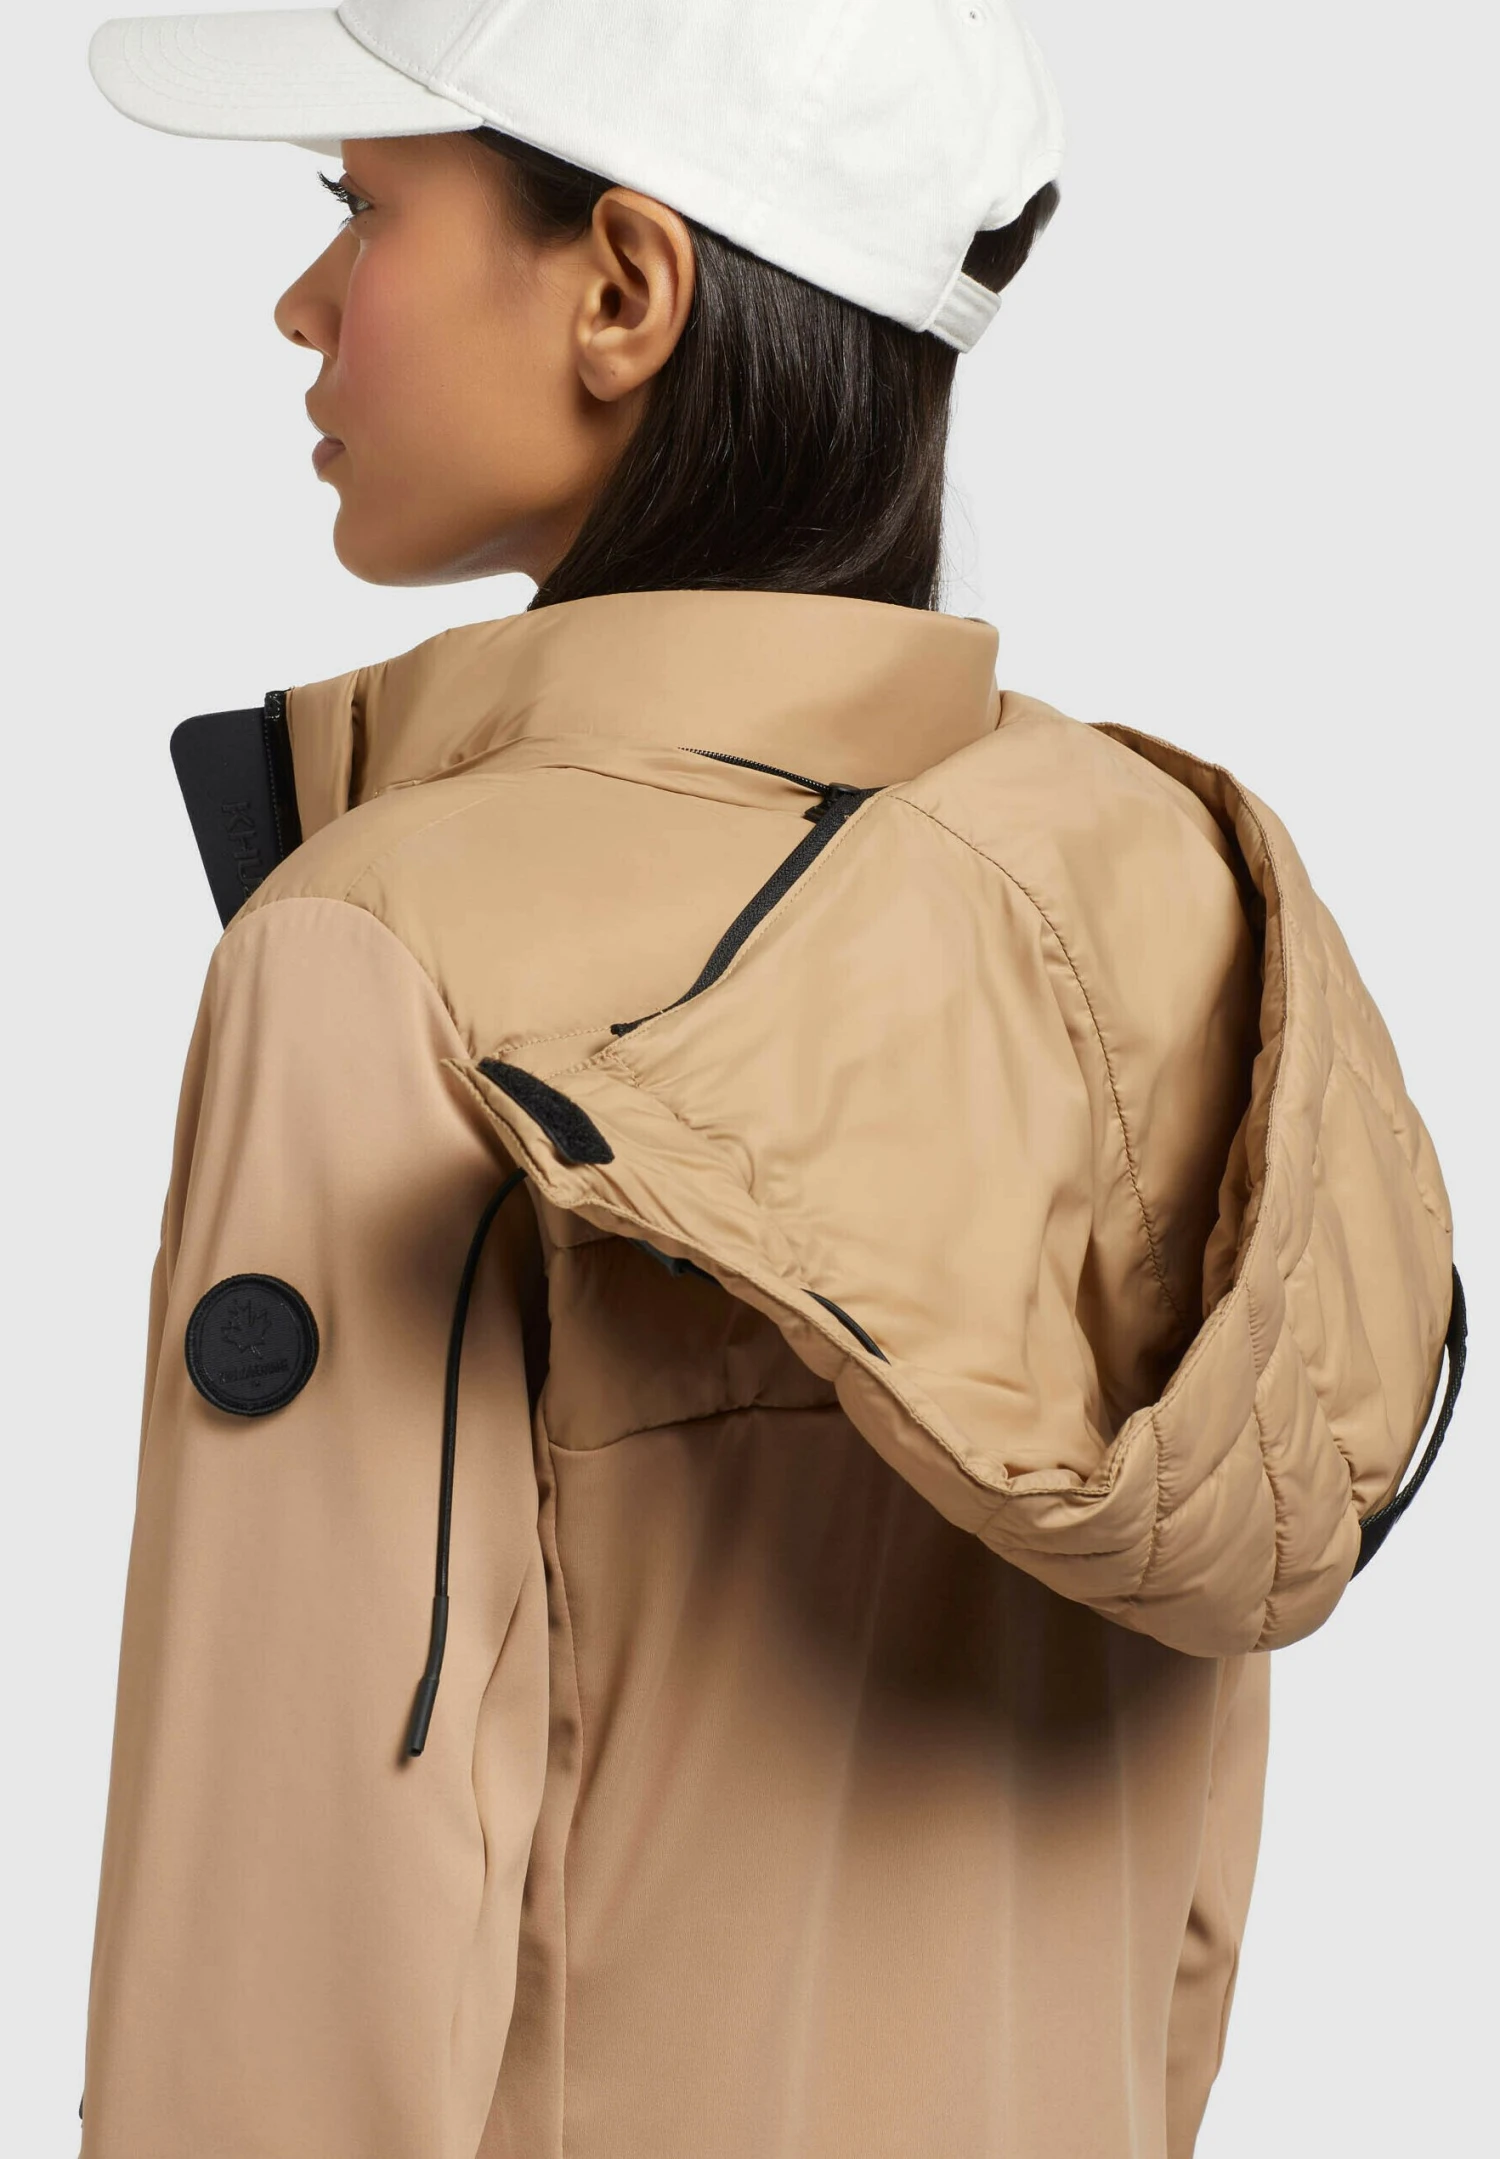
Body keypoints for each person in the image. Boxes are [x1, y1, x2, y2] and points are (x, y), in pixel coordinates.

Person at [78, 5, 1462, 2157]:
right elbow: (1181, 1919)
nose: (305, 300)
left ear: (625, 291)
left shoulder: (390, 955)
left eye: (360, 207)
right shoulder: (1155, 900)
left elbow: (284, 1968)